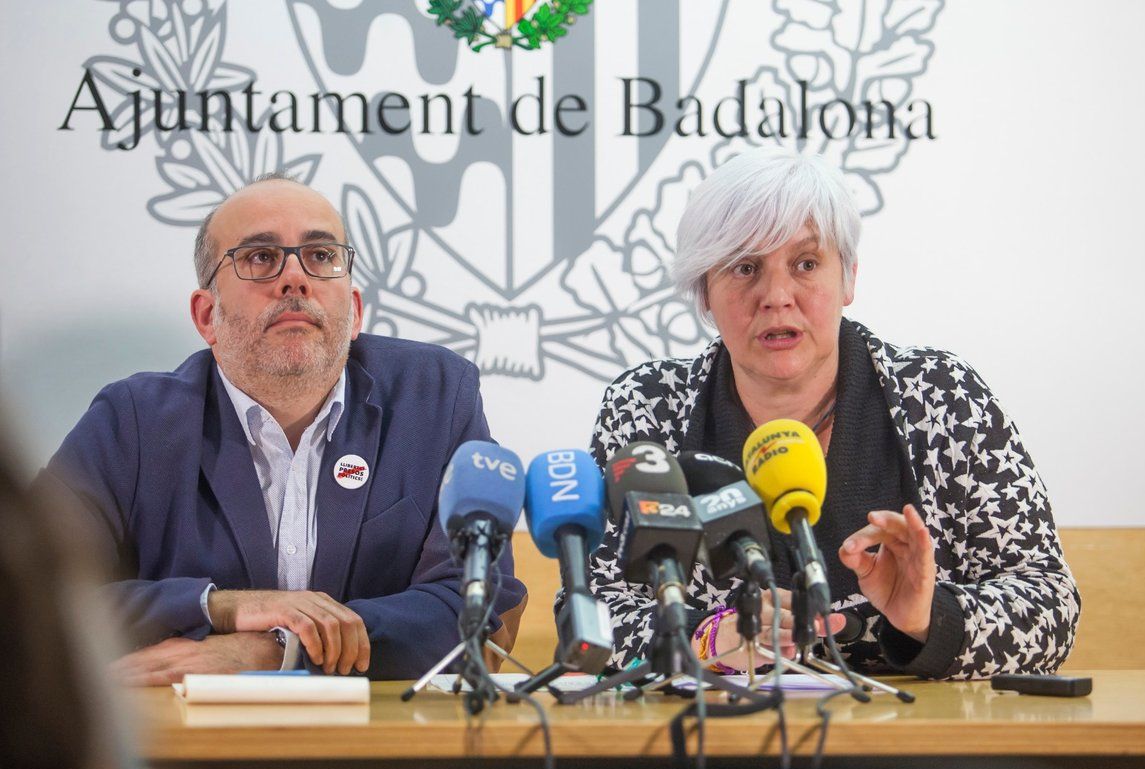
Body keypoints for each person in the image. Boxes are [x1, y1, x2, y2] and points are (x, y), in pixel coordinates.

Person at [587, 148, 1079, 679]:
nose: (776, 296)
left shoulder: (940, 397)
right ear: (705, 292)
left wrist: (927, 617)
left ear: (848, 279)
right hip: (719, 741)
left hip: (909, 740)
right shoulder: (646, 408)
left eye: (805, 264)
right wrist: (703, 640)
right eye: (745, 268)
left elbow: (1049, 601)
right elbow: (590, 612)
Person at [40, 174, 526, 684]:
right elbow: (34, 594)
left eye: (320, 256)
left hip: (382, 744)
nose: (295, 278)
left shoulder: (435, 397)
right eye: (259, 258)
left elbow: (477, 604)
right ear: (207, 316)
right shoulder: (132, 421)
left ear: (355, 310)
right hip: (195, 747)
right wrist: (220, 607)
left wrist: (276, 652)